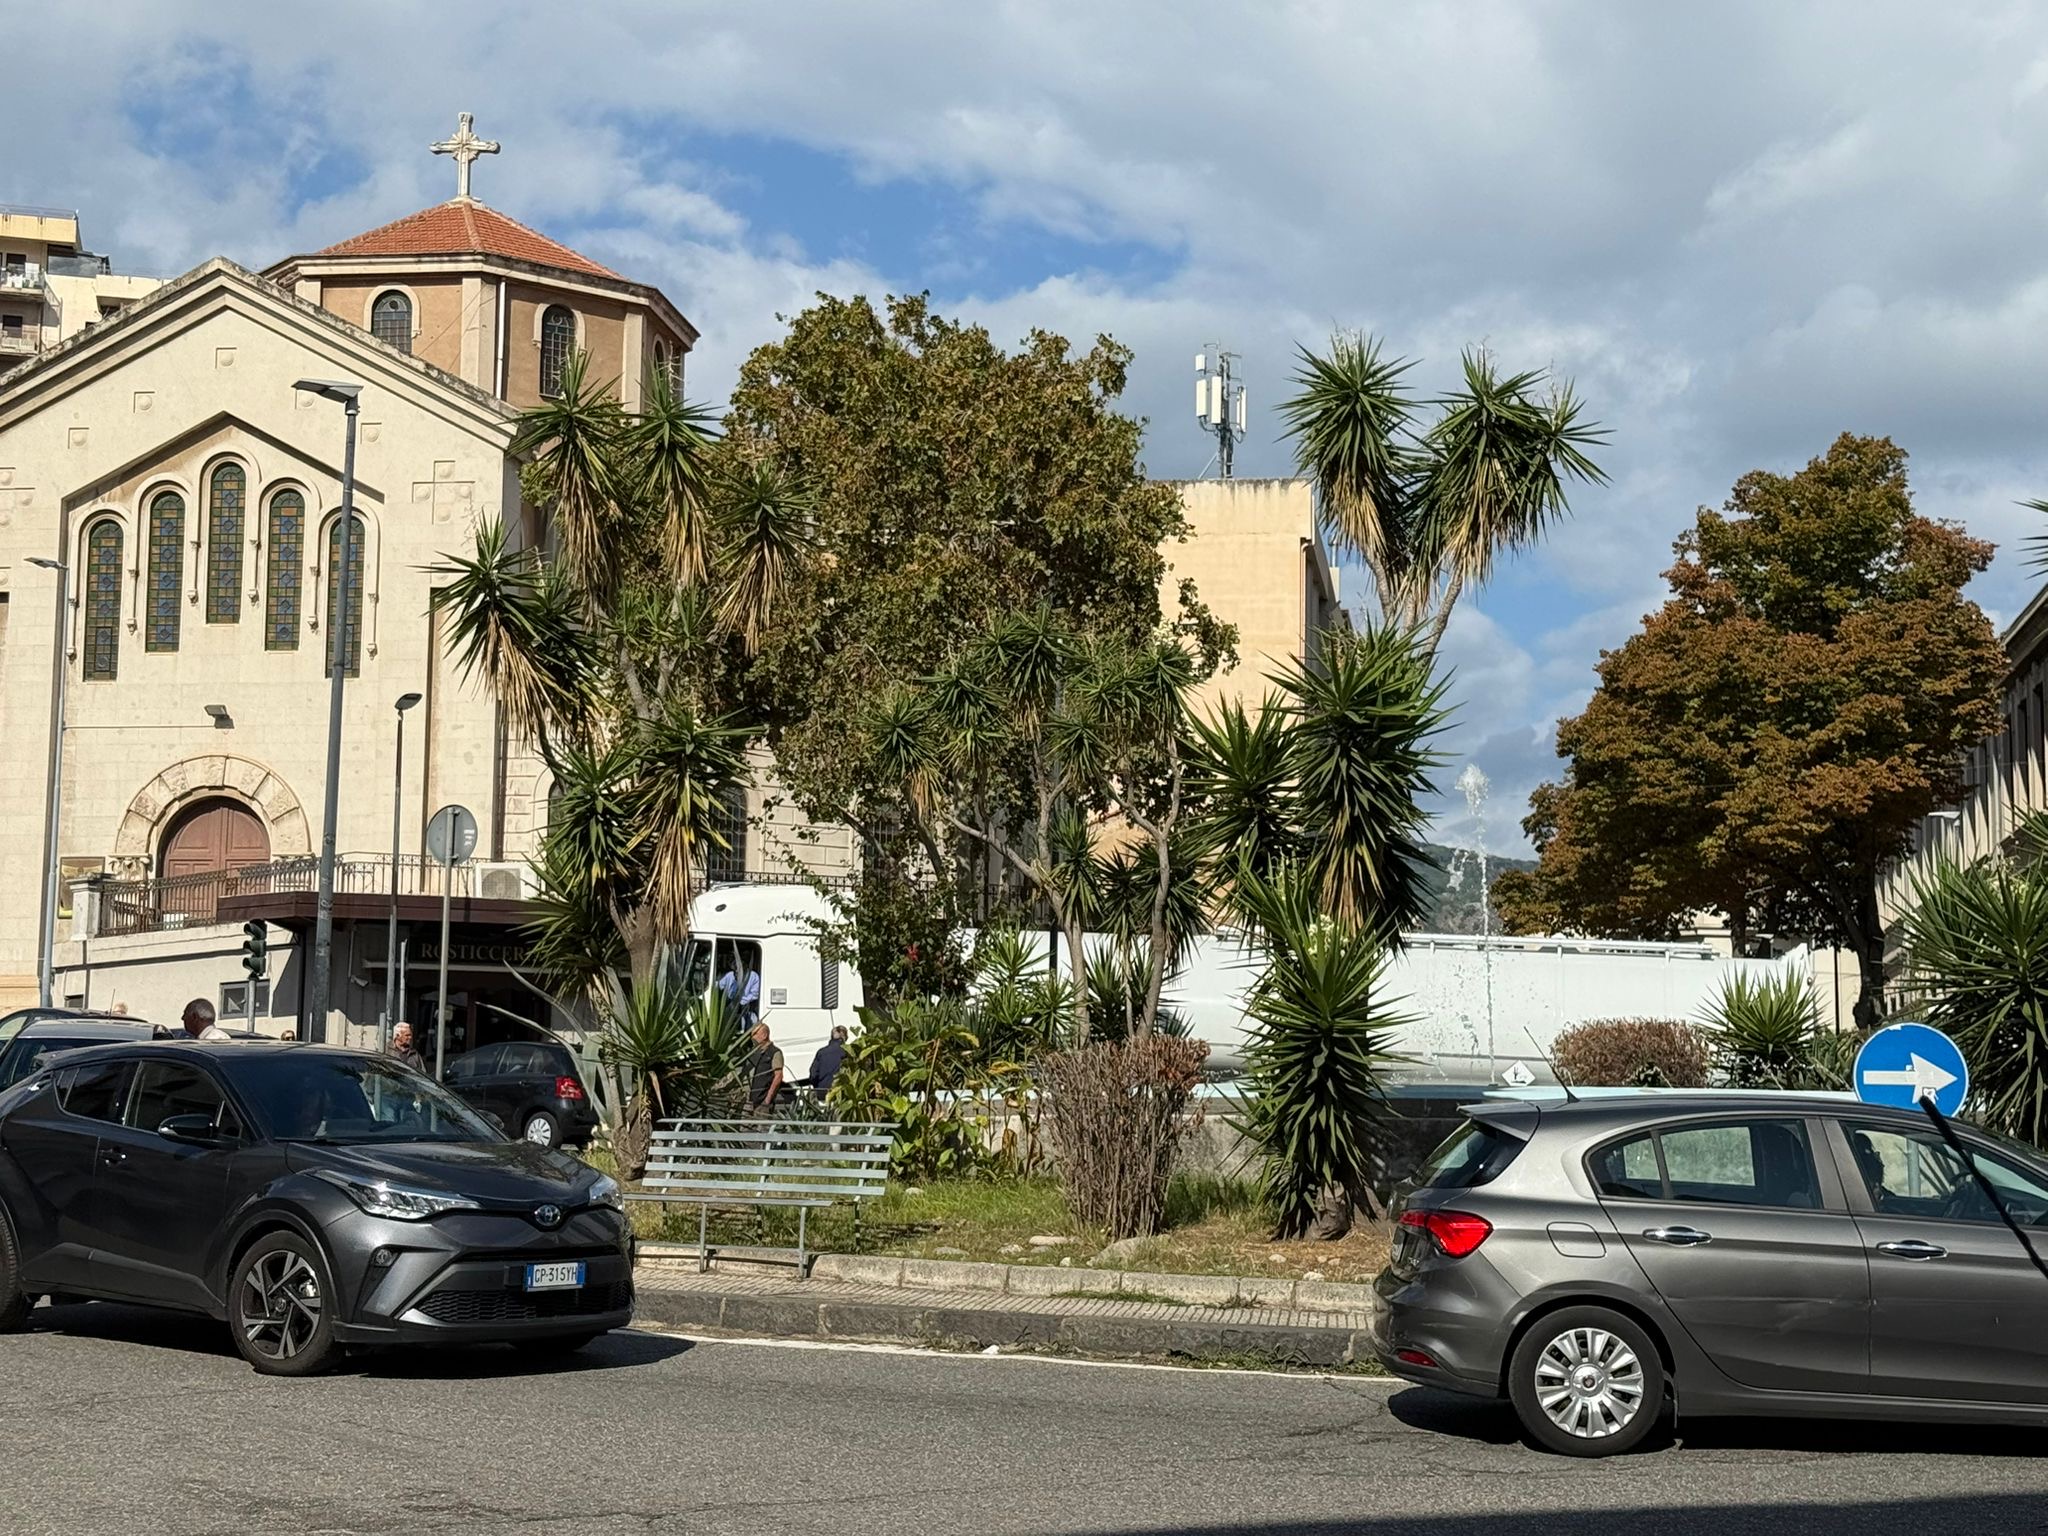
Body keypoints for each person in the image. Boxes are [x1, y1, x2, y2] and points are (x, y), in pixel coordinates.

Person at [745, 1023, 783, 1118]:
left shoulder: (774, 1053)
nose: (752, 1037)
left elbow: (778, 1076)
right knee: (744, 1130)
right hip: (750, 1100)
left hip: (763, 1101)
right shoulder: (754, 1052)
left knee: (762, 1130)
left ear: (764, 1035)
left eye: (755, 1034)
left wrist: (768, 1098)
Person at [807, 1025, 848, 1100]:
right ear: (844, 1037)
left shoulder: (821, 1052)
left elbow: (813, 1074)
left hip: (822, 1091)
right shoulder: (847, 1053)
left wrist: (818, 1085)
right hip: (840, 1094)